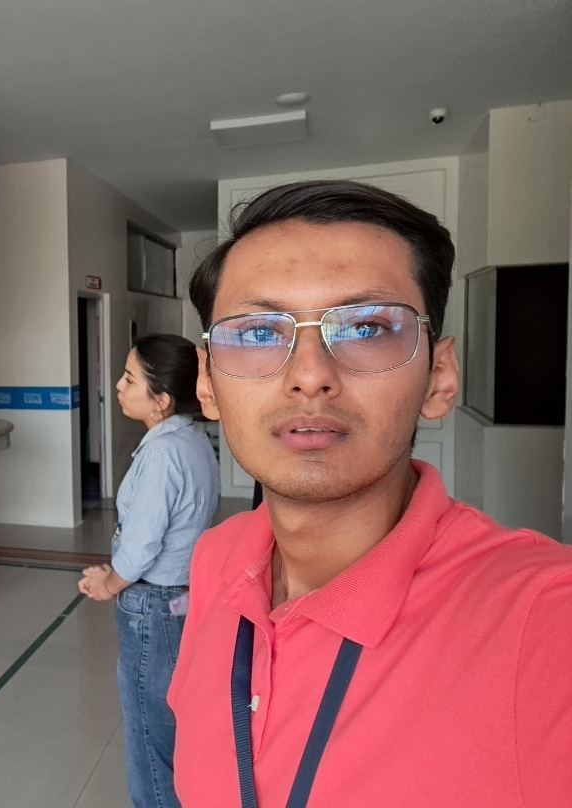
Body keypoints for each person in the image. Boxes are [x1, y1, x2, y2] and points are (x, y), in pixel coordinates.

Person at [168, 180, 572, 808]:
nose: (310, 376)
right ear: (207, 385)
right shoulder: (216, 557)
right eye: (255, 333)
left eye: (366, 327)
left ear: (438, 377)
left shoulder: (542, 624)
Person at [79, 334, 220, 808]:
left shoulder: (161, 454)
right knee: (168, 721)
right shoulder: (193, 440)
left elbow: (142, 546)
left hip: (153, 606)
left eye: (129, 379)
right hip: (180, 597)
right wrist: (117, 570)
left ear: (160, 400)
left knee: (148, 738)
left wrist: (110, 582)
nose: (118, 387)